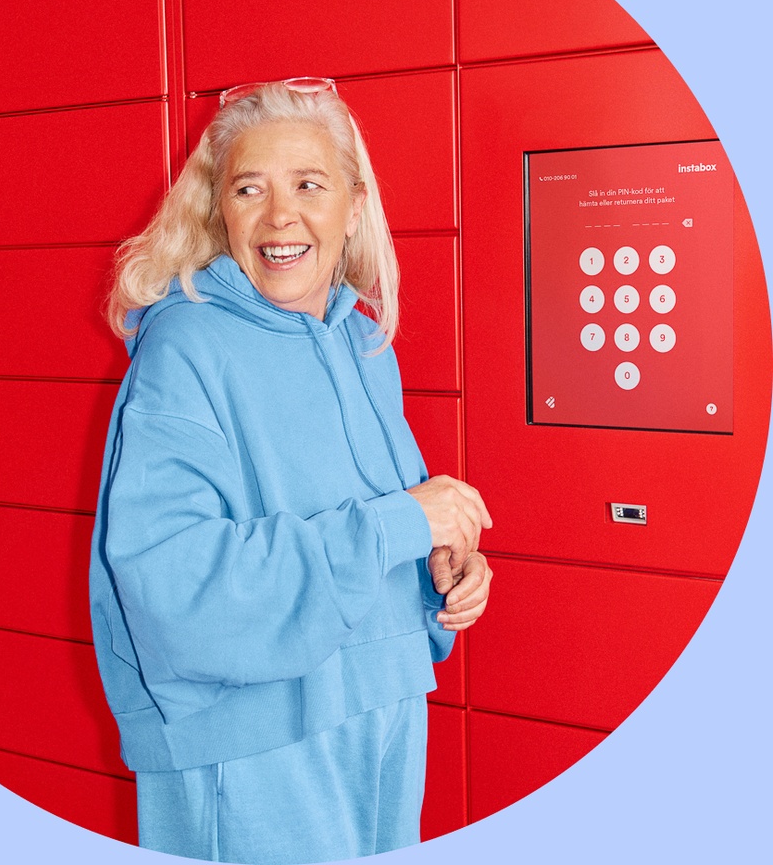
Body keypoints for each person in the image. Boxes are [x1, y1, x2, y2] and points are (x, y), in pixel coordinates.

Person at [89, 78, 493, 864]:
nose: (280, 216)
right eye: (250, 189)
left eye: (309, 184)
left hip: (383, 712)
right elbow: (173, 584)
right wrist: (400, 524)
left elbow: (385, 532)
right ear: (219, 212)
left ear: (353, 204)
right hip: (251, 745)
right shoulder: (186, 352)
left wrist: (442, 569)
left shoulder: (362, 344)